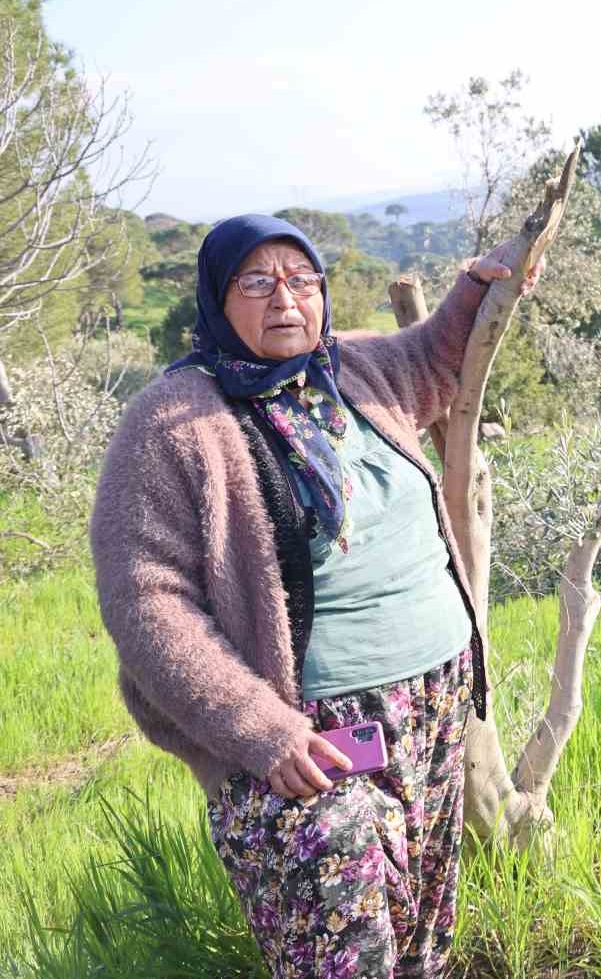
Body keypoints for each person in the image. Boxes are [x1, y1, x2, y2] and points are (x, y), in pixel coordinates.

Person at [90, 214, 537, 978]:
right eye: (256, 282)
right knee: (341, 951)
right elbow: (147, 605)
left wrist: (480, 286)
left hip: (433, 700)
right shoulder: (172, 424)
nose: (285, 300)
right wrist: (261, 731)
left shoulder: (352, 370)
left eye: (302, 280)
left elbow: (436, 355)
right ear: (215, 300)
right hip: (306, 732)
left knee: (421, 930)